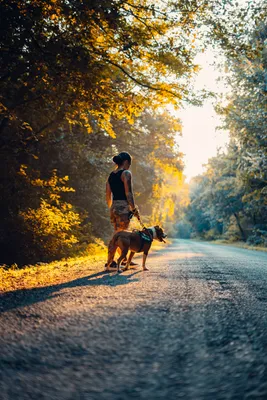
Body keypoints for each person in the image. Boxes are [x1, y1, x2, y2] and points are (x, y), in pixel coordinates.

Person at [106, 152, 139, 267]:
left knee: (117, 233)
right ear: (126, 162)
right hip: (123, 207)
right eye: (129, 163)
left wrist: (112, 207)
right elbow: (128, 193)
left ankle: (122, 260)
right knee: (121, 236)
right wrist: (133, 208)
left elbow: (108, 195)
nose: (129, 166)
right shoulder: (126, 173)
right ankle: (110, 261)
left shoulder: (111, 175)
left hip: (114, 207)